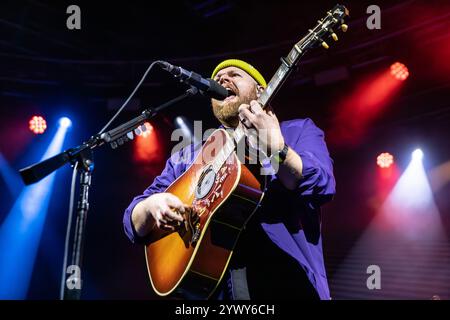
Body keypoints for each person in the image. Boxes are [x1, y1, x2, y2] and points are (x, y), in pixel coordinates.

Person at [123, 59, 336, 300]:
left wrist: (277, 150)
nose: (222, 80)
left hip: (289, 286)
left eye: (234, 74)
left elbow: (321, 186)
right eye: (217, 79)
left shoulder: (297, 131)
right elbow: (133, 221)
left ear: (260, 90)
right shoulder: (188, 156)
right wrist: (152, 206)